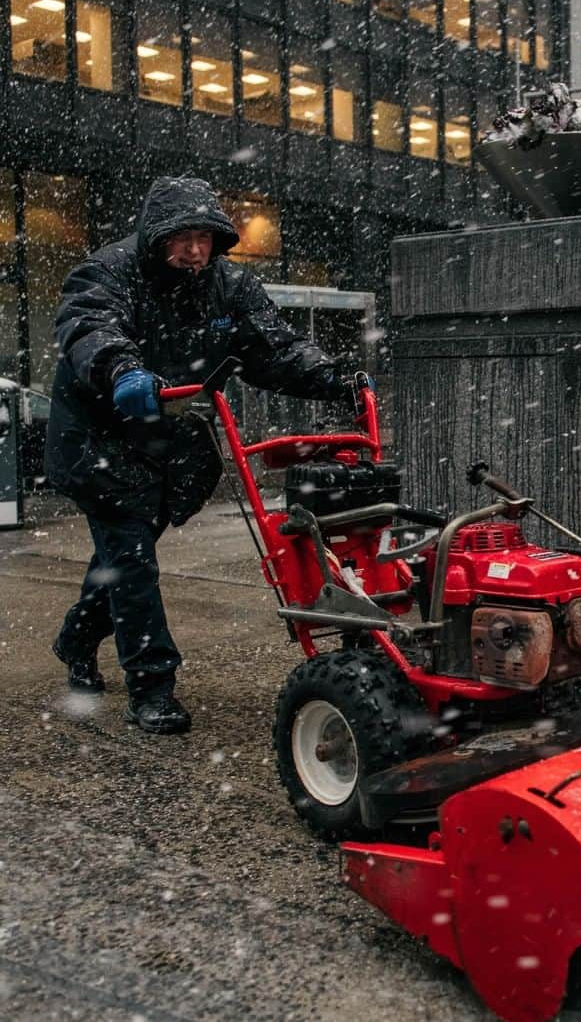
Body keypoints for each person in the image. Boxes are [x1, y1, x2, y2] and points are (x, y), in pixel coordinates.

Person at [45, 176, 352, 735]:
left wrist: (333, 378)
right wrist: (121, 369)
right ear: (155, 237)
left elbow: (272, 348)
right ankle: (152, 685)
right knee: (133, 562)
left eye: (204, 238)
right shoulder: (108, 272)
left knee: (122, 558)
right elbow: (89, 325)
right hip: (104, 442)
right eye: (181, 237)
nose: (193, 250)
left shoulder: (229, 288)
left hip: (170, 446)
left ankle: (75, 640)